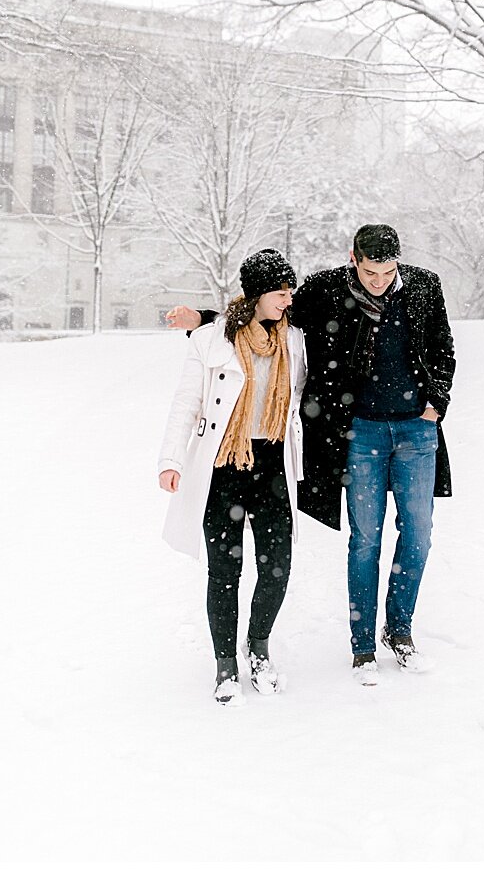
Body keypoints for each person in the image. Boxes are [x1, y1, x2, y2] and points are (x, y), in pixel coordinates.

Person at [166, 225, 456, 685]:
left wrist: (436, 402)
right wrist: (203, 317)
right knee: (364, 539)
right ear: (354, 260)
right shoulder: (328, 288)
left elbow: (443, 347)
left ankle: (397, 631)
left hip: (416, 431)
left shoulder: (423, 286)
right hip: (358, 432)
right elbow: (258, 310)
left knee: (418, 534)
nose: (378, 280)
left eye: (387, 271)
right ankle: (359, 647)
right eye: (370, 271)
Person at [157, 249, 308, 705]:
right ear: (258, 294)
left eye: (289, 292)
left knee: (276, 566)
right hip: (224, 465)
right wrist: (172, 460)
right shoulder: (212, 339)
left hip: (273, 463)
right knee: (226, 570)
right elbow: (186, 403)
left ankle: (257, 645)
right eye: (279, 293)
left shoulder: (296, 339)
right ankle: (226, 662)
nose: (287, 300)